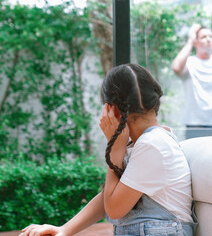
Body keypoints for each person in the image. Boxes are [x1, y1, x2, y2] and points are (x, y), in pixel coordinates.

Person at [19, 63, 197, 236]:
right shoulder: (145, 143)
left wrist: (115, 148)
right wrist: (64, 229)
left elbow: (114, 209)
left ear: (112, 110)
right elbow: (109, 197)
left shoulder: (153, 145)